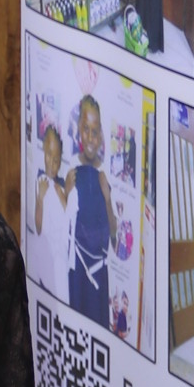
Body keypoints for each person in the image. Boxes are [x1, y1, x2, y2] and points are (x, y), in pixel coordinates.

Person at [66, 95, 112, 327]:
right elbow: (63, 226)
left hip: (99, 272)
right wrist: (66, 192)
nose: (91, 137)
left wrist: (107, 198)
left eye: (95, 131)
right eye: (86, 129)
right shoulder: (71, 168)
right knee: (77, 326)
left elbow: (115, 234)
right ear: (78, 130)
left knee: (99, 328)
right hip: (78, 270)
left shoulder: (106, 173)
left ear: (101, 134)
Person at [26, 123, 74, 302]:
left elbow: (70, 222)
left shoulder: (60, 187)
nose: (52, 164)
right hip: (44, 256)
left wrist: (64, 194)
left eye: (56, 159)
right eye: (48, 155)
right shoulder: (40, 182)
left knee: (60, 299)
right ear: (43, 152)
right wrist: (40, 198)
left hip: (60, 259)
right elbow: (38, 227)